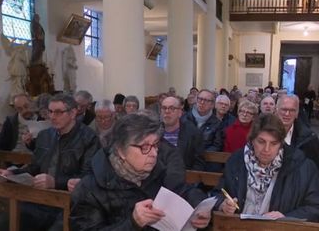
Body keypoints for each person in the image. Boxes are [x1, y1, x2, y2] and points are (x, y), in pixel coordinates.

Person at [70, 113, 211, 230]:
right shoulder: (89, 189)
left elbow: (183, 190)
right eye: (144, 147)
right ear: (121, 150)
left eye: (155, 145)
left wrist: (200, 207)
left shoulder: (157, 172)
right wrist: (133, 222)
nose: (154, 153)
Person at [0, 93, 101, 231]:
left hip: (70, 204)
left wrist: (55, 182)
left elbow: (89, 177)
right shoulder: (44, 136)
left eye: (59, 112)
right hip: (39, 200)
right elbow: (34, 167)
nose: (52, 117)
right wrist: (10, 173)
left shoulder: (89, 138)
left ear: (73, 113)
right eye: (50, 111)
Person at [215, 114, 319, 223]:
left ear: (281, 144)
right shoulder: (236, 161)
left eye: (274, 143)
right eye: (261, 142)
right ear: (252, 140)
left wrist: (287, 218)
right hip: (238, 226)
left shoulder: (302, 167)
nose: (267, 149)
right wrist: (222, 204)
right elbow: (219, 193)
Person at [276, 95, 319, 179]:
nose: (287, 114)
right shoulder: (264, 132)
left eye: (292, 110)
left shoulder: (308, 138)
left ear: (297, 114)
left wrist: (301, 182)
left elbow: (318, 169)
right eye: (284, 109)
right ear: (276, 110)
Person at [181, 89, 223, 171]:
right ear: (196, 100)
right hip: (185, 161)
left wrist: (200, 153)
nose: (202, 102)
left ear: (212, 105)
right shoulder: (184, 119)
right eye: (200, 99)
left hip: (206, 161)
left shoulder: (217, 123)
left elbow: (217, 145)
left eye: (207, 100)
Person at [161, 96, 205, 170]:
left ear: (180, 113)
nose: (167, 111)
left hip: (184, 177)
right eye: (164, 108)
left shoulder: (193, 133)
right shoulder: (153, 132)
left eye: (172, 108)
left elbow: (198, 163)